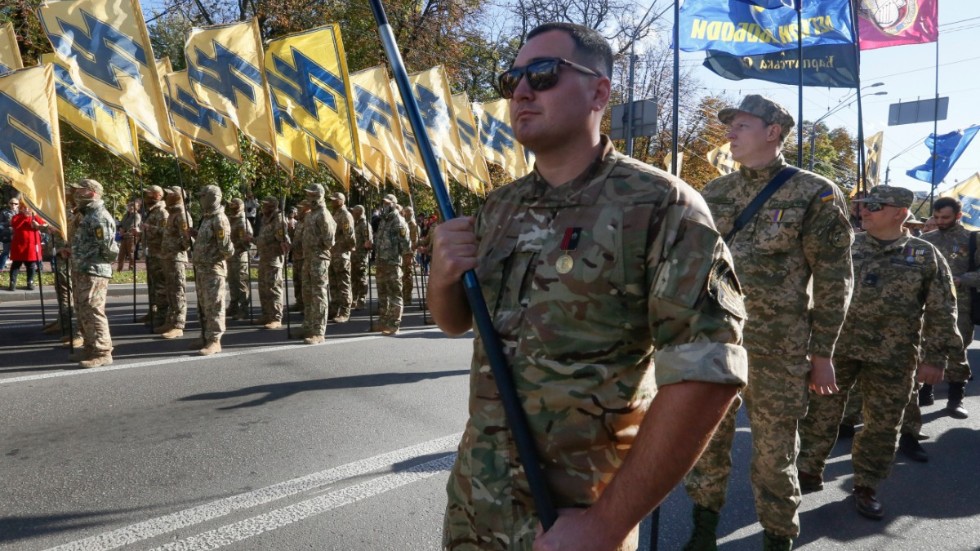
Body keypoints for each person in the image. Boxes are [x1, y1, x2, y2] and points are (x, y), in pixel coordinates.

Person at [429, 22, 747, 551]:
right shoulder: (500, 208)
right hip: (473, 506)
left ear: (599, 91)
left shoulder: (661, 204)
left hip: (575, 521)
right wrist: (443, 279)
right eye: (513, 80)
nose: (522, 91)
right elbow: (456, 321)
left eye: (544, 73)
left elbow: (707, 373)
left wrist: (606, 525)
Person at [683, 94, 854, 551]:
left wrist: (823, 354)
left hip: (779, 349)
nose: (730, 133)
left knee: (774, 455)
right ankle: (702, 531)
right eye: (730, 126)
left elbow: (836, 278)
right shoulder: (713, 193)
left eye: (741, 125)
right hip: (714, 342)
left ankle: (778, 538)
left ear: (773, 131)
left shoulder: (813, 192)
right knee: (705, 442)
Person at [797, 186, 959, 520]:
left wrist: (935, 357)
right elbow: (811, 295)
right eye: (861, 206)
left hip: (893, 355)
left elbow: (943, 309)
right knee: (819, 413)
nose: (863, 212)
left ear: (900, 212)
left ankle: (866, 485)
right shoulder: (846, 247)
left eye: (873, 206)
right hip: (837, 350)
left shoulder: (924, 255)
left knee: (883, 424)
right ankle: (807, 470)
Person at [918, 196, 975, 419]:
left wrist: (961, 278)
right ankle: (926, 391)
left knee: (957, 349)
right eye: (937, 217)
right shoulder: (926, 239)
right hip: (927, 304)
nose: (940, 221)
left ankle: (955, 398)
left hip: (960, 305)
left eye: (946, 217)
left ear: (958, 216)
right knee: (925, 345)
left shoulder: (972, 240)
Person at [66, 179, 117, 368]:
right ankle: (90, 346)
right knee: (82, 308)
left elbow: (108, 248)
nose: (77, 193)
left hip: (94, 269)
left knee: (94, 309)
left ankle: (103, 352)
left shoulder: (99, 217)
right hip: (82, 268)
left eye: (81, 190)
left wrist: (91, 259)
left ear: (92, 193)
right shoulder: (85, 215)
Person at [190, 185, 234, 355]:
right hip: (202, 268)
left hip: (213, 269)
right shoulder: (206, 218)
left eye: (203, 196)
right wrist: (194, 234)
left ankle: (215, 341)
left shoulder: (219, 219)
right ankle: (205, 337)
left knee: (214, 305)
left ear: (212, 197)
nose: (200, 199)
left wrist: (213, 256)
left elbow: (227, 249)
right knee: (203, 305)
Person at [300, 184, 335, 344]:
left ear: (320, 195)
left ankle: (319, 332)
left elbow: (329, 241)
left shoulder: (323, 214)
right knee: (307, 294)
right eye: (309, 195)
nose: (310, 198)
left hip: (319, 259)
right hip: (308, 259)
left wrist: (316, 246)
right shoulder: (309, 215)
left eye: (313, 195)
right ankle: (308, 326)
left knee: (319, 294)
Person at [374, 194, 410, 336]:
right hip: (381, 261)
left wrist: (407, 257)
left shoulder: (398, 221)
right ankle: (383, 320)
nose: (385, 205)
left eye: (388, 203)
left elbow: (405, 243)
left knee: (395, 293)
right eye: (384, 203)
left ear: (394, 205)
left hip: (393, 262)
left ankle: (394, 324)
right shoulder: (384, 220)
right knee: (382, 292)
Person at [158, 187, 191, 339]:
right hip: (167, 258)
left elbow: (187, 241)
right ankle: (170, 321)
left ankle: (178, 325)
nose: (167, 195)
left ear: (178, 196)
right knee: (170, 291)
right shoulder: (172, 214)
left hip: (176, 258)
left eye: (171, 193)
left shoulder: (182, 215)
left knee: (178, 291)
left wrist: (175, 248)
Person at [254, 196, 290, 329]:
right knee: (263, 288)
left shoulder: (279, 219)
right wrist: (252, 240)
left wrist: (283, 239)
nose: (263, 208)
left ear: (272, 206)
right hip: (264, 258)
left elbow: (283, 238)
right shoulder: (265, 220)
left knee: (274, 288)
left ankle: (275, 317)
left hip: (274, 259)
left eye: (266, 205)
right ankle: (266, 314)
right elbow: (263, 238)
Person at [328, 191, 355, 323]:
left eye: (335, 200)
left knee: (343, 284)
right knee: (333, 284)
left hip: (341, 254)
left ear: (342, 201)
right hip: (333, 254)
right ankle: (334, 309)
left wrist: (349, 248)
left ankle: (345, 311)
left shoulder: (345, 215)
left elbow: (349, 235)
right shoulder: (334, 214)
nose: (332, 201)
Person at [9, 200, 46, 291]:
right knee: (16, 265)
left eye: (28, 207)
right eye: (24, 207)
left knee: (31, 265)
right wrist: (25, 217)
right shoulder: (16, 217)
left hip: (31, 246)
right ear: (21, 208)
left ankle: (30, 282)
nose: (26, 209)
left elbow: (43, 224)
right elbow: (15, 225)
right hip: (19, 245)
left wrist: (37, 221)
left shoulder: (35, 216)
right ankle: (12, 283)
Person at [225, 198, 252, 321]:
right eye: (231, 205)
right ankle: (233, 305)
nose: (232, 207)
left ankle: (244, 309)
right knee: (232, 282)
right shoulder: (230, 219)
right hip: (230, 256)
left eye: (235, 206)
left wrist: (244, 241)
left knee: (242, 283)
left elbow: (247, 241)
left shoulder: (242, 221)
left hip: (240, 256)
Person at [289, 200, 309, 315]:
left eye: (301, 208)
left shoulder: (308, 220)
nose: (298, 210)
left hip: (304, 256)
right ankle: (299, 302)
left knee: (304, 282)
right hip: (296, 256)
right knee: (297, 280)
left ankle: (306, 305)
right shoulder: (299, 222)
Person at [351, 204, 373, 310]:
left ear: (359, 213)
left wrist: (368, 244)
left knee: (361, 279)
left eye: (354, 212)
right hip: (354, 255)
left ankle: (361, 300)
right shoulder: (356, 224)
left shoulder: (364, 225)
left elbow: (369, 242)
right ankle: (354, 299)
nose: (352, 214)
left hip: (361, 256)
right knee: (354, 279)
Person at [116, 200, 141, 272]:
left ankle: (131, 269)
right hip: (123, 236)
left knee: (131, 253)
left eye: (132, 206)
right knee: (121, 254)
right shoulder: (126, 215)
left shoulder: (137, 215)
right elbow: (121, 223)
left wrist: (124, 230)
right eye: (129, 206)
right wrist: (120, 228)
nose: (130, 207)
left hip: (131, 236)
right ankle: (119, 269)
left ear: (136, 207)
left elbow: (133, 225)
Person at [401, 205, 419, 305]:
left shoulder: (413, 225)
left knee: (407, 276)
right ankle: (403, 295)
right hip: (402, 252)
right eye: (406, 212)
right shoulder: (404, 223)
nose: (407, 214)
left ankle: (407, 297)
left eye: (408, 212)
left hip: (408, 253)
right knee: (403, 276)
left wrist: (412, 255)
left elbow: (414, 242)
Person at [0, 195, 16, 272]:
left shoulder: (22, 212)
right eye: (12, 203)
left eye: (16, 204)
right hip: (8, 234)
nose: (13, 205)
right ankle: (0, 267)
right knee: (6, 251)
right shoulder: (4, 212)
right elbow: (0, 223)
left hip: (19, 234)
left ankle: (38, 267)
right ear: (9, 204)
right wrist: (8, 223)